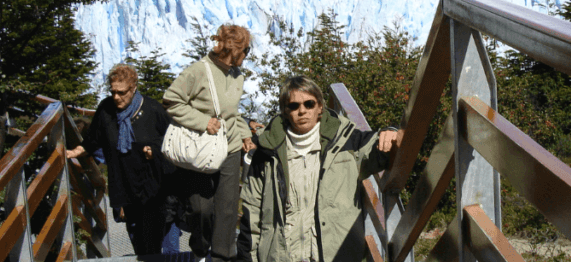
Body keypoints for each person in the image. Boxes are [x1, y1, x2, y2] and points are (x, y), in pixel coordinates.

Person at [238, 76, 400, 262]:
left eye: (309, 104)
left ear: (320, 107)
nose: (302, 111)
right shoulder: (266, 153)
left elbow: (379, 149)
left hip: (335, 255)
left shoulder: (348, 142)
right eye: (294, 106)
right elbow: (251, 213)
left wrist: (391, 131)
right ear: (284, 110)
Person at [164, 24, 255, 262]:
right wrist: (203, 121)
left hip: (230, 148)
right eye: (247, 50)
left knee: (226, 210)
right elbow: (171, 100)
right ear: (235, 50)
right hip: (200, 149)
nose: (248, 55)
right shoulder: (198, 71)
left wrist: (245, 134)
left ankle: (221, 257)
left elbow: (232, 113)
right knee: (200, 209)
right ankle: (200, 250)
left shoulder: (237, 75)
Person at [67, 64, 172, 256]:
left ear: (133, 88)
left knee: (151, 246)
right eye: (113, 91)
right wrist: (75, 151)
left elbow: (171, 145)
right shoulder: (106, 110)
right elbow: (93, 140)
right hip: (124, 190)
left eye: (121, 92)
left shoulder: (153, 110)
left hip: (152, 190)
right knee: (137, 242)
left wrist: (153, 151)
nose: (116, 97)